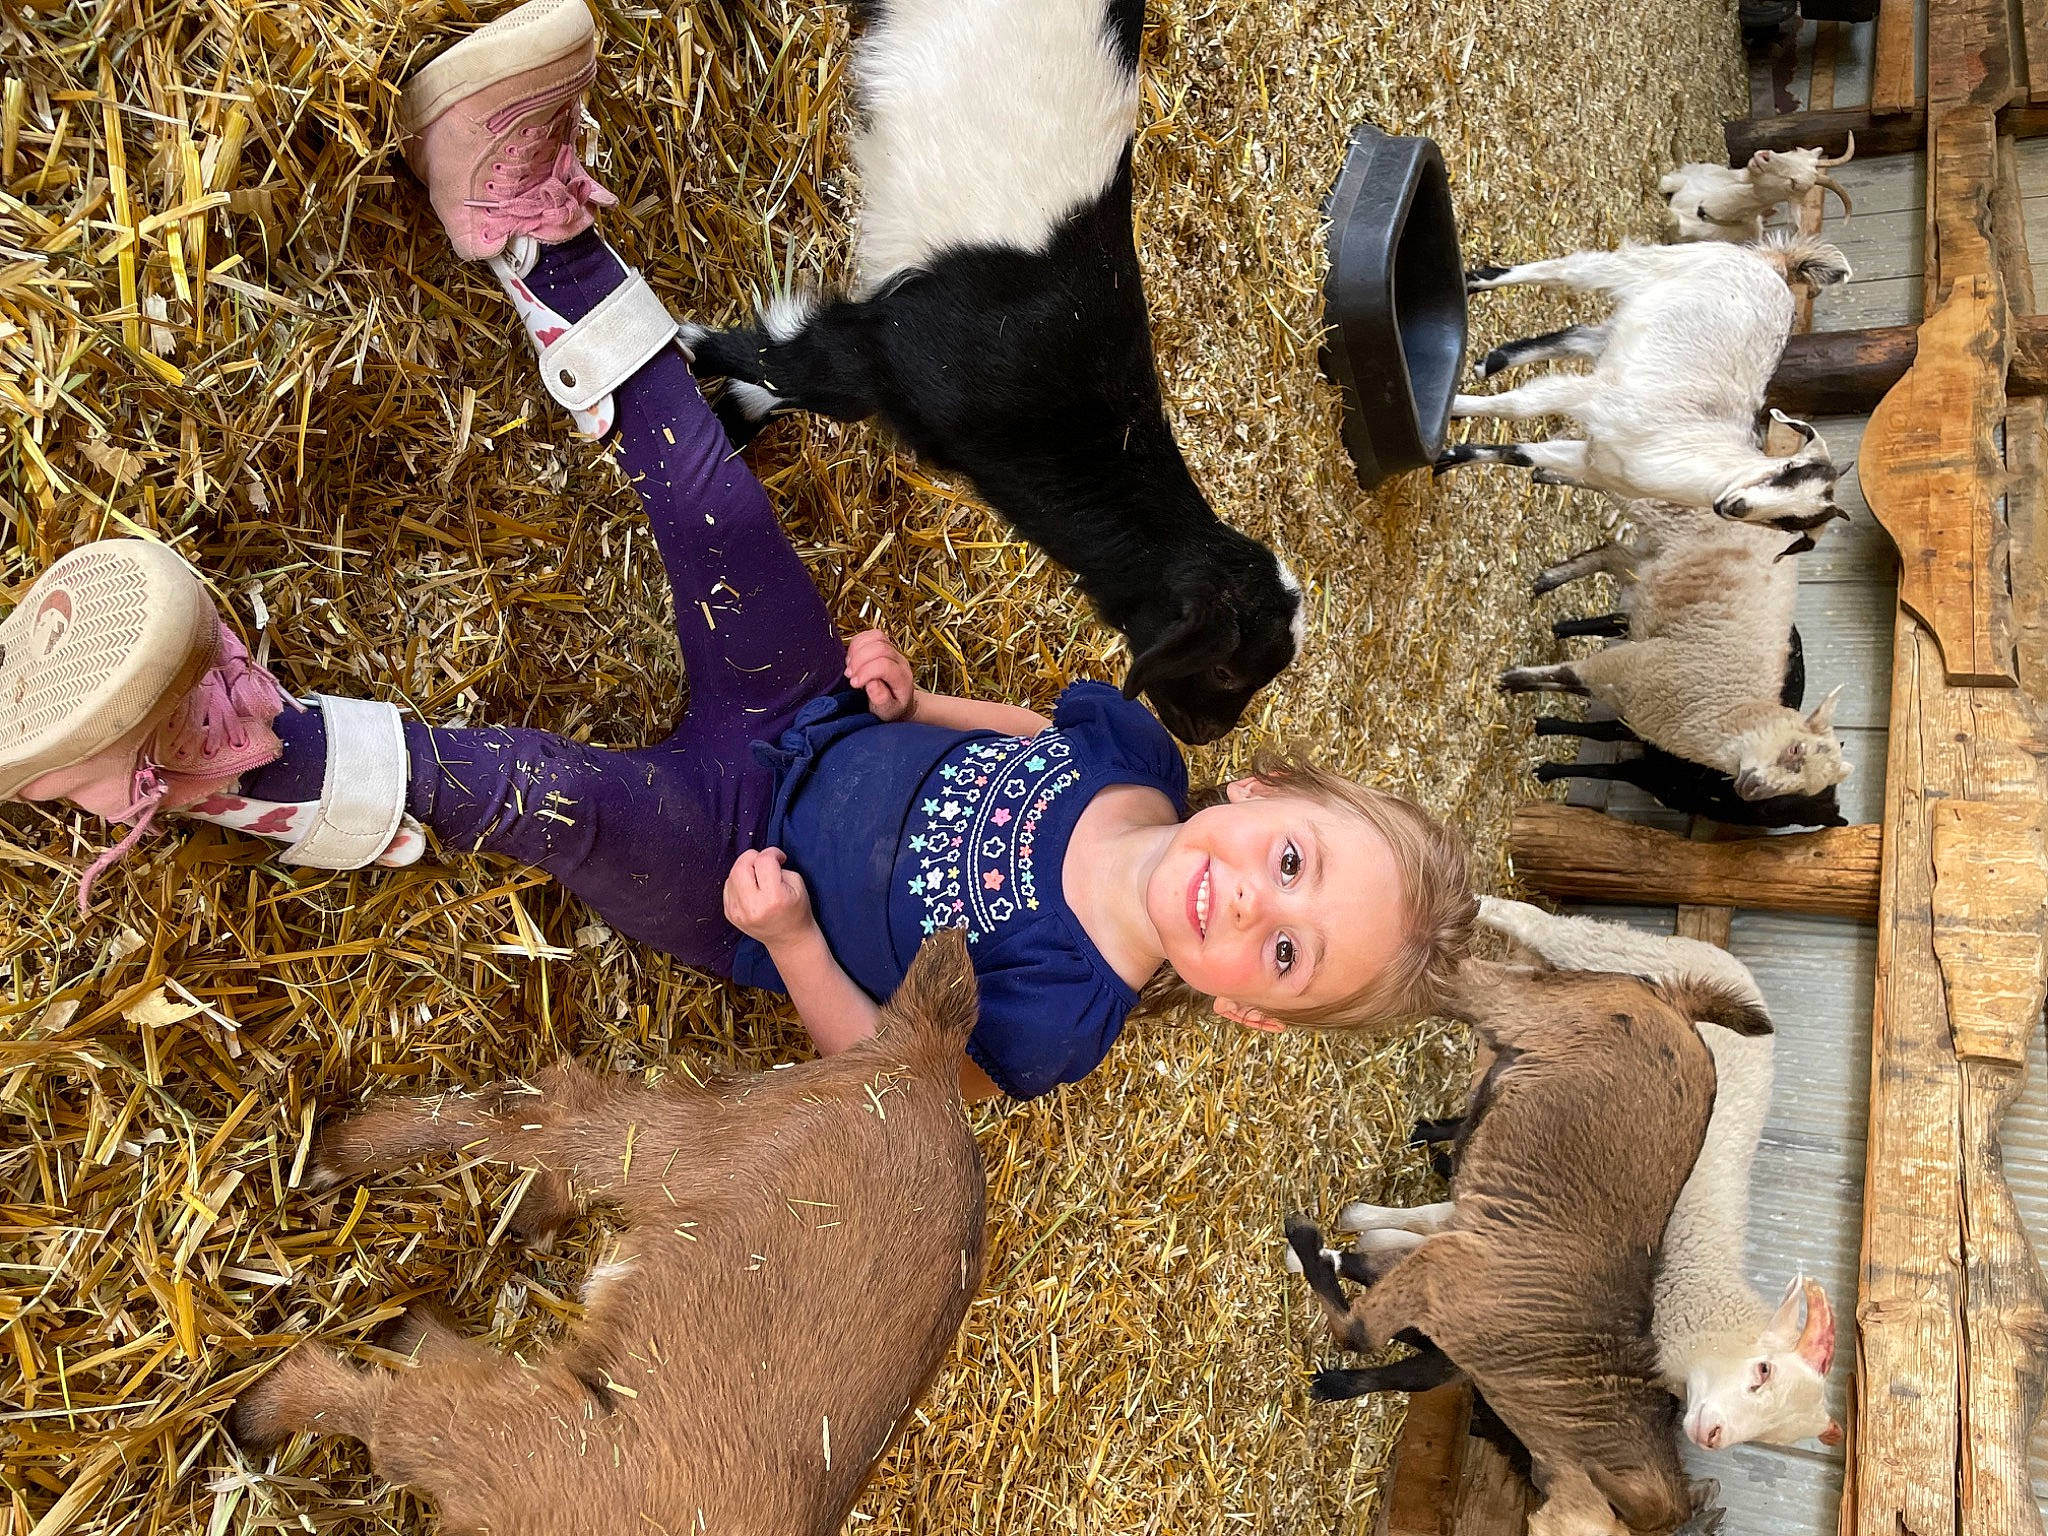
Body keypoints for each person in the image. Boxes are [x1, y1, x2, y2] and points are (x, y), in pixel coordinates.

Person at [0, 0, 1475, 1100]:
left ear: (1251, 1013)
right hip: (806, 711)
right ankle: (521, 228)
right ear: (1269, 790)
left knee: (540, 792)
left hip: (729, 861)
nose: (1254, 900)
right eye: (1294, 858)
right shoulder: (1136, 761)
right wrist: (915, 705)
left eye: (1285, 949)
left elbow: (885, 1071)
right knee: (714, 494)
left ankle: (223, 762)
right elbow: (1033, 728)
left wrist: (790, 943)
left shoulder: (1060, 1019)